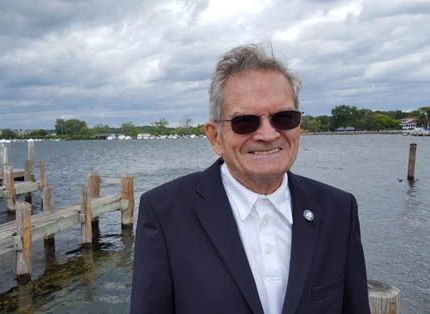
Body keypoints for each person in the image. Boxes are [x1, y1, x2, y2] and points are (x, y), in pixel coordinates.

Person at [130, 43, 370, 314]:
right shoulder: (164, 213)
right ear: (214, 137)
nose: (268, 135)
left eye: (284, 118)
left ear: (298, 126)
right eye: (245, 122)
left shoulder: (339, 209)